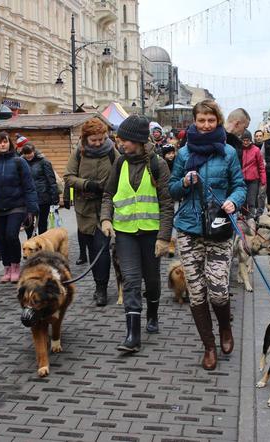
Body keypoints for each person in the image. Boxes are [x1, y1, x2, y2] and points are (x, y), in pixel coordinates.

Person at [168, 100, 246, 370]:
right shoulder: (183, 153)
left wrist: (234, 201)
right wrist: (184, 182)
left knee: (219, 289)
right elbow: (171, 189)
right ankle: (209, 346)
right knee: (197, 292)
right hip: (189, 229)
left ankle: (225, 327)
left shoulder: (228, 153)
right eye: (201, 120)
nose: (205, 125)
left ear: (218, 121)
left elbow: (239, 185)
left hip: (219, 227)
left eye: (210, 121)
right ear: (194, 121)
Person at [100, 115, 174, 352]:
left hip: (151, 233)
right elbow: (108, 194)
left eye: (126, 140)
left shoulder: (158, 165)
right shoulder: (119, 163)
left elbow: (166, 203)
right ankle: (133, 335)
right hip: (125, 233)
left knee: (151, 281)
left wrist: (164, 237)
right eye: (120, 140)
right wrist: (105, 218)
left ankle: (152, 313)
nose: (122, 144)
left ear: (140, 140)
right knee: (131, 280)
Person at [64, 117, 120, 306]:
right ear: (85, 138)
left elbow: (122, 172)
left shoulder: (112, 152)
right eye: (93, 140)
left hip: (106, 207)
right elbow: (69, 177)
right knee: (92, 248)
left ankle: (102, 289)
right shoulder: (78, 153)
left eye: (101, 139)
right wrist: (88, 184)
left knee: (102, 248)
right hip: (85, 209)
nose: (98, 143)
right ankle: (98, 284)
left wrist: (109, 187)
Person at [0, 132, 38, 283]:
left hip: (16, 206)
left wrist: (32, 207)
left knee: (11, 235)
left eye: (5, 142)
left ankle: (16, 266)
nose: (2, 144)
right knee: (1, 238)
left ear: (10, 144)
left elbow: (29, 186)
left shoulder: (19, 162)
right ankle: (7, 268)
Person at [21, 142, 59, 238]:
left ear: (34, 151)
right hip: (27, 198)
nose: (28, 156)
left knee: (42, 223)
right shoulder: (21, 162)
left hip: (43, 197)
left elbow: (51, 180)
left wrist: (54, 197)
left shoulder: (44, 162)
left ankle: (42, 243)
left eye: (29, 153)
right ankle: (32, 239)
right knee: (27, 222)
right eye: (26, 154)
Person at [240, 130, 266, 219]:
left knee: (251, 200)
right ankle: (244, 216)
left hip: (253, 179)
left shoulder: (256, 150)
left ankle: (251, 218)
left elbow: (261, 166)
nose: (246, 142)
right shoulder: (239, 150)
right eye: (244, 140)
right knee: (242, 200)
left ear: (251, 140)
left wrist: (263, 179)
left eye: (247, 140)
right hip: (242, 179)